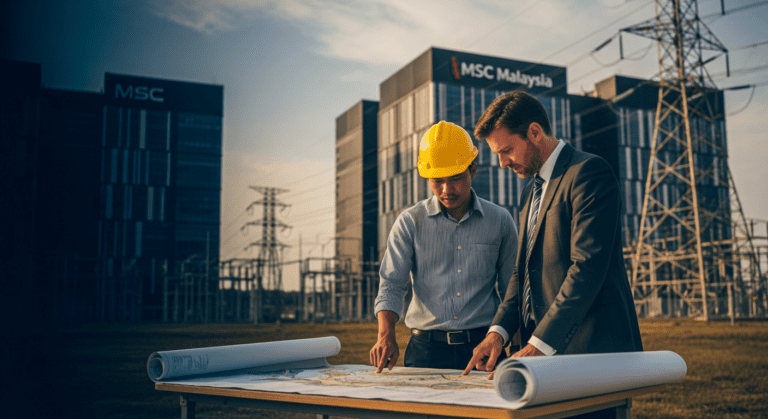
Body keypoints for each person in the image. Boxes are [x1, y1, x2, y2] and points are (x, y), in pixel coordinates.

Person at [463, 91, 643, 377]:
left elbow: (587, 268)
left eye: (506, 150)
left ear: (534, 132)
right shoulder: (527, 195)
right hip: (540, 358)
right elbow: (520, 275)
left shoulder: (589, 173)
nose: (502, 163)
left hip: (590, 353)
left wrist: (540, 344)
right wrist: (497, 333)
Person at [370, 121, 518, 372]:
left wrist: (512, 341)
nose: (447, 190)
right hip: (425, 352)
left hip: (484, 348)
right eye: (437, 181)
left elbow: (511, 291)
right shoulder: (410, 222)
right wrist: (385, 335)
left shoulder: (501, 221)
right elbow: (392, 284)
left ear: (473, 169)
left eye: (456, 178)